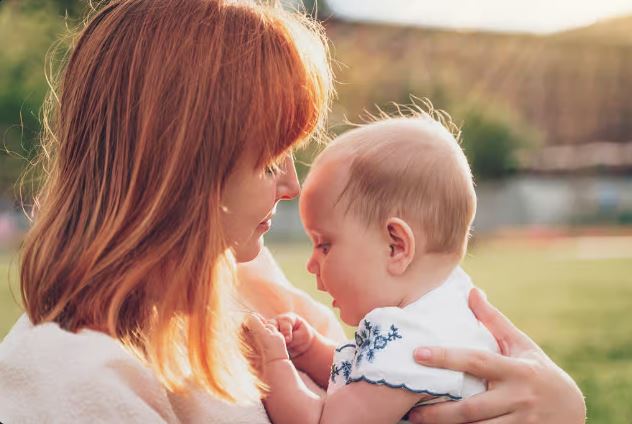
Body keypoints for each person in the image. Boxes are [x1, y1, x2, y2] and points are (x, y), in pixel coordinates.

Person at [0, 0, 585, 423]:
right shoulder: (70, 377)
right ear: (186, 165)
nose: (289, 184)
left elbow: (353, 376)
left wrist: (559, 406)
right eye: (273, 157)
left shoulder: (245, 288)